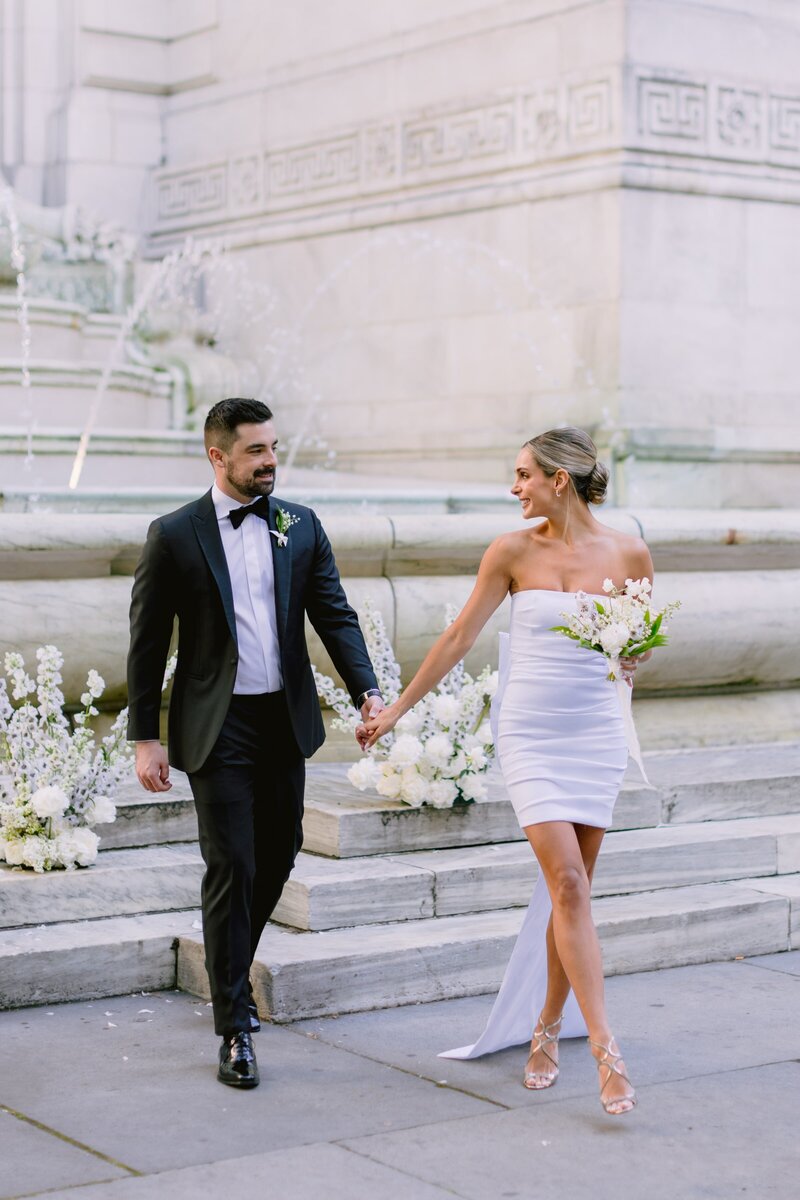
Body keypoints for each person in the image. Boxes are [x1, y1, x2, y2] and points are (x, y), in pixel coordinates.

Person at [361, 427, 653, 1116]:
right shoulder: (511, 551)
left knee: (570, 895)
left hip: (597, 735)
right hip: (531, 736)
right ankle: (608, 1052)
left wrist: (633, 658)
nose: (514, 487)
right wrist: (397, 711)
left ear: (560, 479)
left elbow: (635, 648)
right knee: (568, 883)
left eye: (523, 475)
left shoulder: (629, 551)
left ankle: (547, 1029)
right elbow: (459, 636)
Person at [127, 397, 384, 1090]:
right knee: (231, 862)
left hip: (282, 720)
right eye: (255, 451)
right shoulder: (175, 534)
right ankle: (234, 1025)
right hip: (218, 724)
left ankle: (229, 971)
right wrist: (144, 737)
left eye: (273, 447)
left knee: (278, 852)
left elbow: (335, 614)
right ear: (218, 457)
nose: (271, 460)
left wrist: (369, 690)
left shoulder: (301, 526)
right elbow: (148, 642)